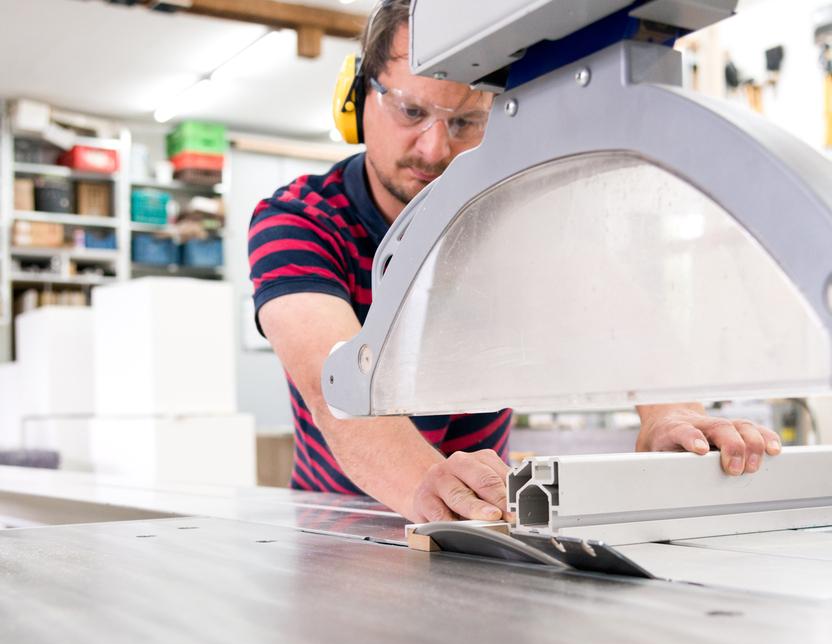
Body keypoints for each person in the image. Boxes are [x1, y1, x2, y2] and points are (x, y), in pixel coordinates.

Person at [249, 0, 782, 523]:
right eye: (412, 111)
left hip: (480, 521)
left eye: (465, 122)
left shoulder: (520, 218)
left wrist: (673, 417)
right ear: (356, 96)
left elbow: (625, 316)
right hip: (346, 521)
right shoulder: (301, 220)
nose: (434, 149)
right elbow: (332, 389)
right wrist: (424, 486)